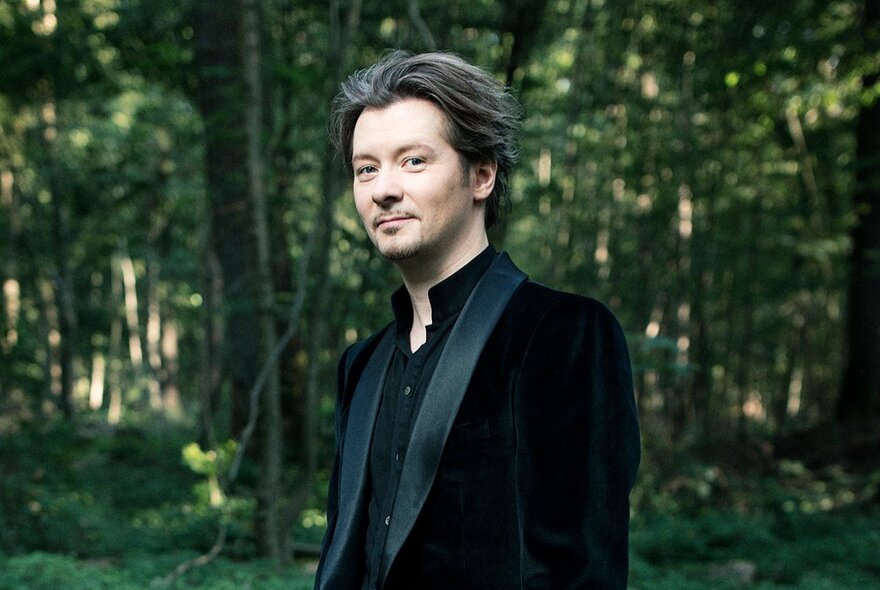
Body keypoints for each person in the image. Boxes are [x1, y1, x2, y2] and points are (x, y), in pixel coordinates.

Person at [314, 50, 640, 590]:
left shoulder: (564, 334)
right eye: (366, 168)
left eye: (413, 161)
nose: (383, 188)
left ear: (481, 175)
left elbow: (580, 571)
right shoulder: (361, 365)